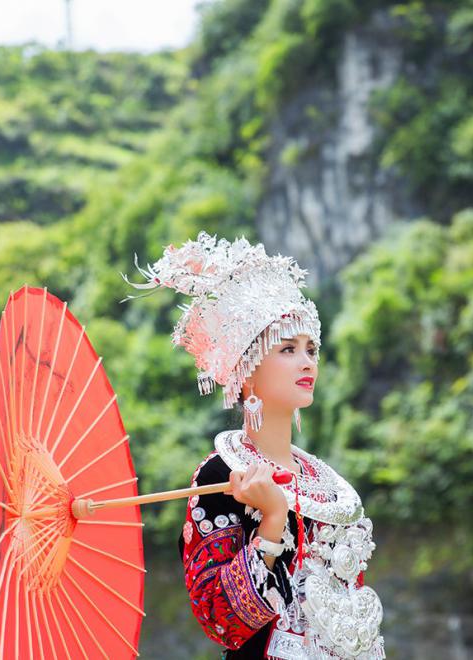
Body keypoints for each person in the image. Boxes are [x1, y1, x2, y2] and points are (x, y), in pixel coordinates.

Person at [124, 231, 385, 659]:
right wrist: (273, 520)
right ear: (247, 370)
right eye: (288, 349)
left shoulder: (327, 484)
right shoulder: (220, 474)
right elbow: (220, 619)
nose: (307, 362)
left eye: (311, 349)